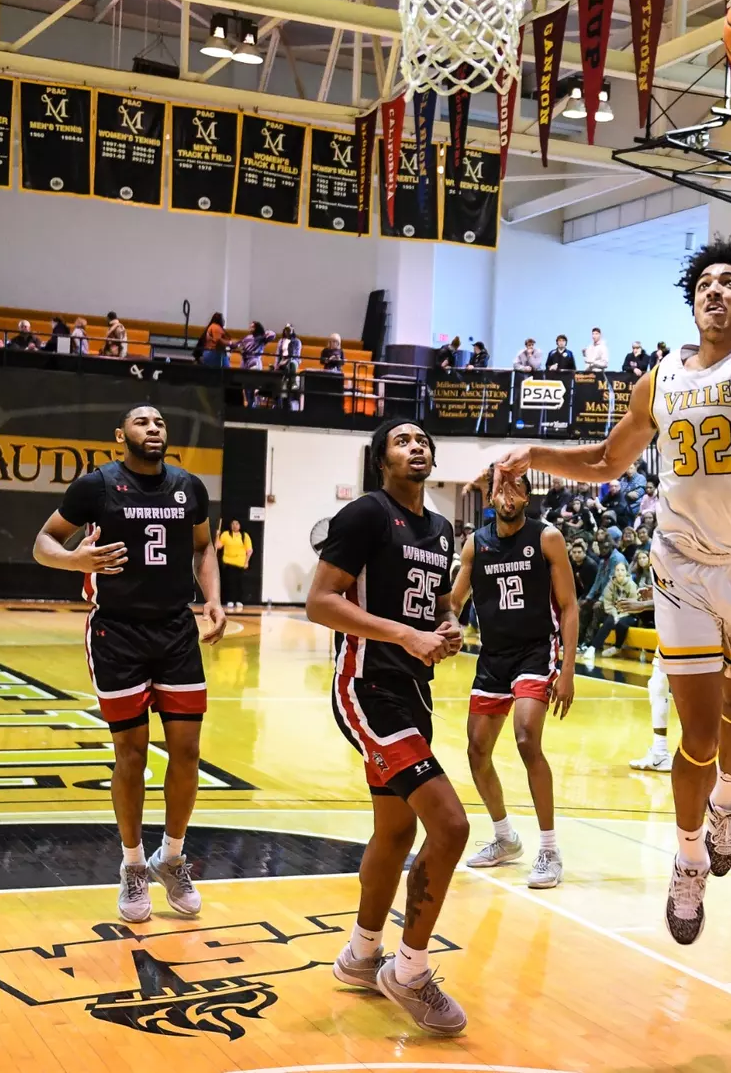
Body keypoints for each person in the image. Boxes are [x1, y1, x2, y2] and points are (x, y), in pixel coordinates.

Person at [493, 92, 731, 945]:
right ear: (694, 301)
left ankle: (726, 806)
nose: (718, 290)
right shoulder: (660, 379)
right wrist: (537, 457)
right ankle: (684, 861)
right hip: (679, 559)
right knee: (701, 726)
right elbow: (606, 463)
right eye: (707, 282)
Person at [30, 405, 226, 922]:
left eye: (161, 422)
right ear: (122, 436)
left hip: (176, 631)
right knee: (131, 754)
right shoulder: (95, 486)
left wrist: (213, 598)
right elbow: (43, 543)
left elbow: (204, 548)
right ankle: (133, 865)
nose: (154, 428)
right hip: (116, 632)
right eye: (142, 423)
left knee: (187, 751)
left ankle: (173, 857)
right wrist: (75, 559)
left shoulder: (188, 487)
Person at [305, 420, 468, 1034]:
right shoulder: (366, 515)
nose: (416, 446)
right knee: (450, 825)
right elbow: (320, 601)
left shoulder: (442, 527)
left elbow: (436, 605)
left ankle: (361, 955)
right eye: (402, 441)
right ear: (381, 460)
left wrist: (447, 625)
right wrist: (406, 635)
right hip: (367, 689)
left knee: (396, 830)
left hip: (414, 693)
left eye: (423, 439)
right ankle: (410, 970)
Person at [447, 467, 579, 890]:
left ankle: (550, 849)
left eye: (516, 488)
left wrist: (569, 671)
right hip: (493, 657)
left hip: (537, 650)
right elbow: (453, 601)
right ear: (491, 499)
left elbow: (570, 605)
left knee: (526, 739)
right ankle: (505, 839)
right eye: (500, 488)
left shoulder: (546, 538)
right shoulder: (475, 544)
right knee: (476, 749)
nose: (507, 494)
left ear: (526, 498)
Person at [215, 518, 253, 610]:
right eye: (233, 524)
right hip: (229, 563)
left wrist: (246, 562)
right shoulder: (225, 535)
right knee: (230, 583)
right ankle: (230, 600)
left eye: (237, 524)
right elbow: (218, 546)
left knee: (239, 583)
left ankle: (239, 600)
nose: (235, 526)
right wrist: (217, 535)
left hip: (240, 563)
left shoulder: (244, 536)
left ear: (239, 526)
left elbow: (249, 550)